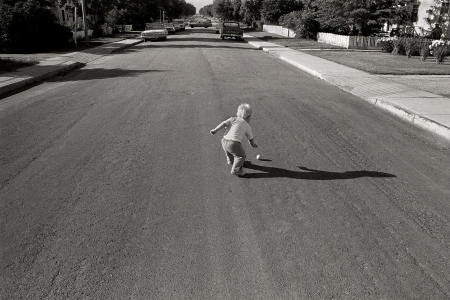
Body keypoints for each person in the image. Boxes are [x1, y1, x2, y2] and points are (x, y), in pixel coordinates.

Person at [210, 103, 258, 176]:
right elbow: (250, 138)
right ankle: (236, 170)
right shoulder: (247, 126)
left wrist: (215, 130)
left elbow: (223, 124)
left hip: (224, 140)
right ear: (248, 117)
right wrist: (253, 144)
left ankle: (231, 161)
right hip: (234, 143)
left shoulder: (233, 119)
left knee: (229, 152)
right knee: (241, 156)